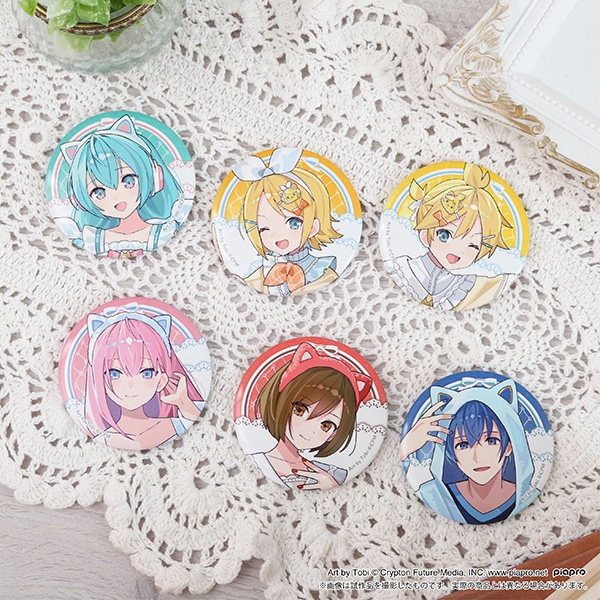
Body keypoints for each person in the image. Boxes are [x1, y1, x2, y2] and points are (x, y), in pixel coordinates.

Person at [400, 379, 535, 523]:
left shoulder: (526, 493)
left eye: (491, 441)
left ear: (509, 446)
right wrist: (408, 444)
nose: (478, 458)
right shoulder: (434, 494)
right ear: (450, 451)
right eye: (463, 445)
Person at [390, 163, 513, 310]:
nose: (458, 250)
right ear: (425, 235)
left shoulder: (468, 286)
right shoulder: (401, 268)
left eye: (473, 245)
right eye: (445, 235)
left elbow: (501, 280)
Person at [60, 114, 186, 257]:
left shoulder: (165, 230)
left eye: (128, 182)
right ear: (81, 201)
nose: (116, 197)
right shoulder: (91, 239)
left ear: (156, 177)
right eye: (99, 193)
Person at [252, 342, 372, 489]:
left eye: (326, 425)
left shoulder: (334, 474)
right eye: (300, 410)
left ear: (335, 434)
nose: (309, 429)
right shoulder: (256, 462)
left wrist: (332, 484)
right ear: (280, 402)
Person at [83, 308, 205, 450]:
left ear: (161, 380)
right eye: (114, 374)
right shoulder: (104, 437)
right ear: (100, 380)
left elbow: (201, 423)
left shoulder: (178, 424)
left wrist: (183, 403)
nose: (130, 385)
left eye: (146, 373)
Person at [233, 148, 342, 296]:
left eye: (293, 223)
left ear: (313, 227)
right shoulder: (256, 277)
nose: (277, 235)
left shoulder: (323, 271)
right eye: (264, 229)